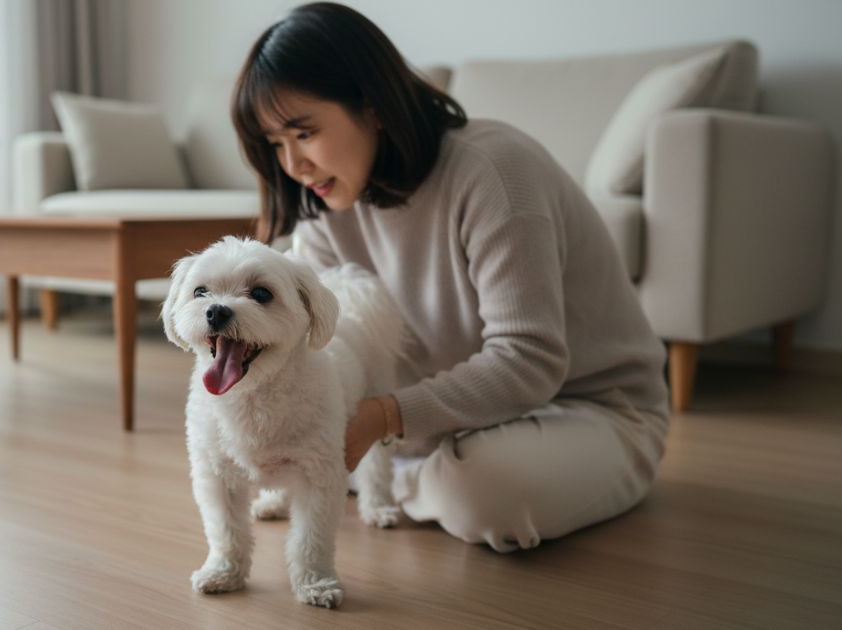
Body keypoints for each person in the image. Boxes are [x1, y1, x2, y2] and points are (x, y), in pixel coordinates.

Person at [229, 2, 670, 552]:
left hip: (592, 412)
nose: (293, 165)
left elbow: (529, 361)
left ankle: (396, 480)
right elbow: (325, 348)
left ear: (371, 107)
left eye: (304, 133)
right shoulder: (324, 206)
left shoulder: (495, 172)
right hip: (450, 427)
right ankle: (402, 474)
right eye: (275, 144)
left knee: (482, 496)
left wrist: (383, 417)